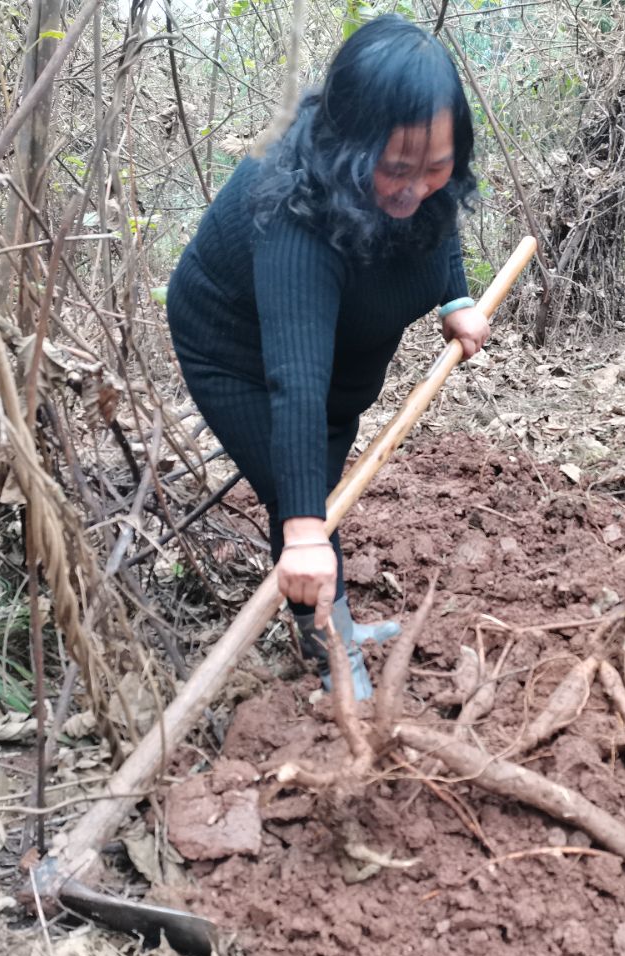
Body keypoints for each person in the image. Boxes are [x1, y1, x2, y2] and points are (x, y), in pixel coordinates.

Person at [166, 16, 487, 700]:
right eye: (396, 170)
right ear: (348, 147)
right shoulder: (292, 215)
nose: (414, 189)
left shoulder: (426, 184)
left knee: (321, 476)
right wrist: (305, 531)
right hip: (237, 347)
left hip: (338, 343)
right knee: (303, 497)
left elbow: (440, 218)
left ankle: (324, 617)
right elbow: (297, 384)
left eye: (434, 168)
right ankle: (334, 654)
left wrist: (453, 298)